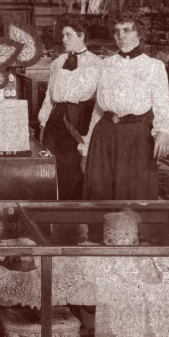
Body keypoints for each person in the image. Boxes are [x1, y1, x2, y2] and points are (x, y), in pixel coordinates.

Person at [79, 13, 169, 200]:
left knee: (133, 197)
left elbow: (161, 105)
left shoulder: (153, 66)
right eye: (117, 31)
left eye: (127, 30)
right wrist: (86, 150)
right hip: (104, 137)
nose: (121, 36)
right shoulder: (105, 64)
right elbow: (97, 111)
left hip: (136, 139)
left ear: (139, 33)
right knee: (100, 196)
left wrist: (164, 131)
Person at [37, 15, 101, 200]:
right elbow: (49, 96)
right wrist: (43, 123)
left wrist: (90, 137)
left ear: (81, 35)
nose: (63, 39)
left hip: (79, 121)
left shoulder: (97, 63)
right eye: (62, 35)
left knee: (75, 170)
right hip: (56, 121)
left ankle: (72, 219)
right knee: (51, 167)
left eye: (68, 35)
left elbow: (99, 103)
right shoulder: (58, 62)